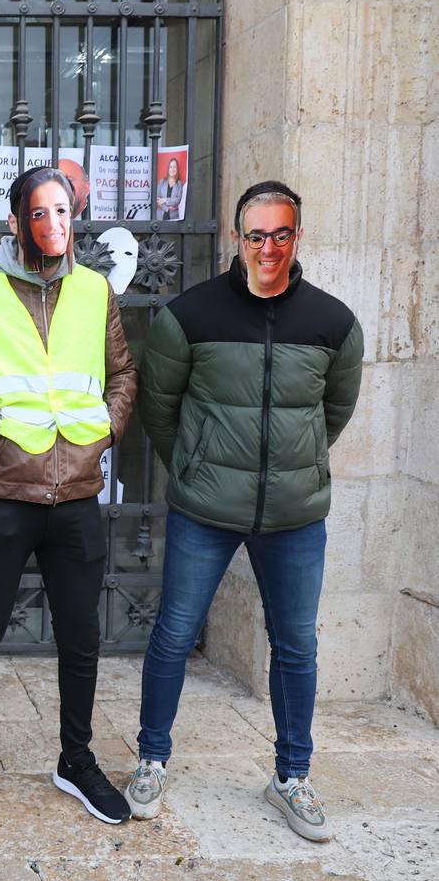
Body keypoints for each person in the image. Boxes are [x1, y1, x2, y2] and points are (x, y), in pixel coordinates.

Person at [125, 180, 363, 842]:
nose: (267, 247)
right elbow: (159, 409)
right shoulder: (190, 315)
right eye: (256, 234)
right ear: (238, 237)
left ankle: (291, 776)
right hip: (205, 508)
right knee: (174, 633)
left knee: (296, 646)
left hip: (295, 516)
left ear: (297, 237)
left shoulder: (333, 323)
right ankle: (151, 759)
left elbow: (332, 412)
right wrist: (198, 467)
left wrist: (296, 463)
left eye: (280, 234)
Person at [0, 166, 138, 827]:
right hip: (3, 491)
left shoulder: (95, 290)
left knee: (81, 638)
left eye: (63, 212)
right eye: (40, 214)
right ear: (15, 221)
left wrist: (105, 433)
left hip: (75, 493)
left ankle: (76, 759)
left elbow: (122, 371)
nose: (54, 226)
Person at [155, 157, 184, 221]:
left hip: (174, 217)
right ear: (168, 168)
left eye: (174, 167)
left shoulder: (179, 184)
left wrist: (164, 200)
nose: (172, 169)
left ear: (177, 169)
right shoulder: (161, 182)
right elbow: (157, 200)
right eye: (170, 167)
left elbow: (177, 200)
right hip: (160, 217)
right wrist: (167, 209)